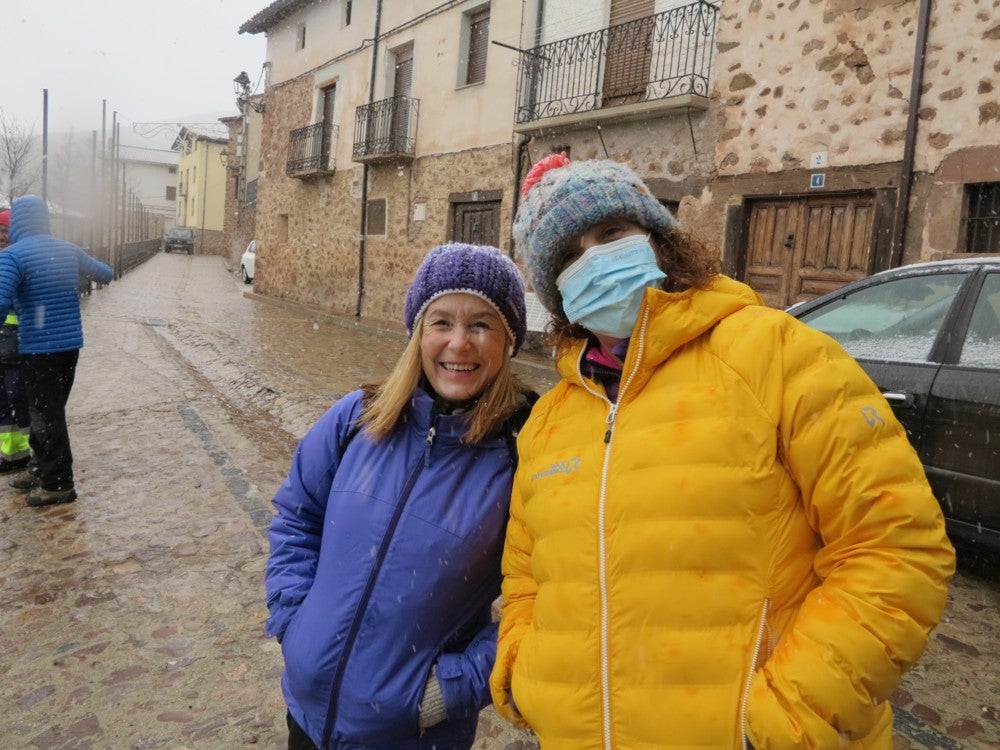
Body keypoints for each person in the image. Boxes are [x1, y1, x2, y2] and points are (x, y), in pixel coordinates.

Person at [489, 154, 956, 749]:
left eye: (611, 233)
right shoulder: (550, 420)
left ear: (658, 240)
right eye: (569, 255)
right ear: (555, 293)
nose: (595, 260)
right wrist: (523, 671)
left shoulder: (776, 353)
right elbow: (527, 576)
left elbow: (895, 546)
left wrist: (788, 715)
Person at [265, 243, 537, 750]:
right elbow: (297, 518)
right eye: (441, 322)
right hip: (306, 716)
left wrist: (446, 690)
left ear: (509, 341)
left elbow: (555, 600)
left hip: (414, 734)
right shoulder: (357, 418)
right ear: (417, 332)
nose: (459, 344)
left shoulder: (526, 450)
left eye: (481, 325)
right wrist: (294, 623)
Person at [0, 195, 114, 506]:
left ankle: (58, 484)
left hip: (38, 350)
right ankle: (39, 467)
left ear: (19, 222)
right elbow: (106, 273)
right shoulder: (67, 249)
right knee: (49, 412)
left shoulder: (14, 256)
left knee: (46, 416)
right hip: (69, 349)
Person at [0, 208, 32, 473]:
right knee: (3, 401)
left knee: (18, 397)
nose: (1, 236)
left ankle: (31, 453)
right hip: (5, 343)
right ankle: (11, 455)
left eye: (4, 231)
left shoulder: (18, 259)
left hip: (16, 344)